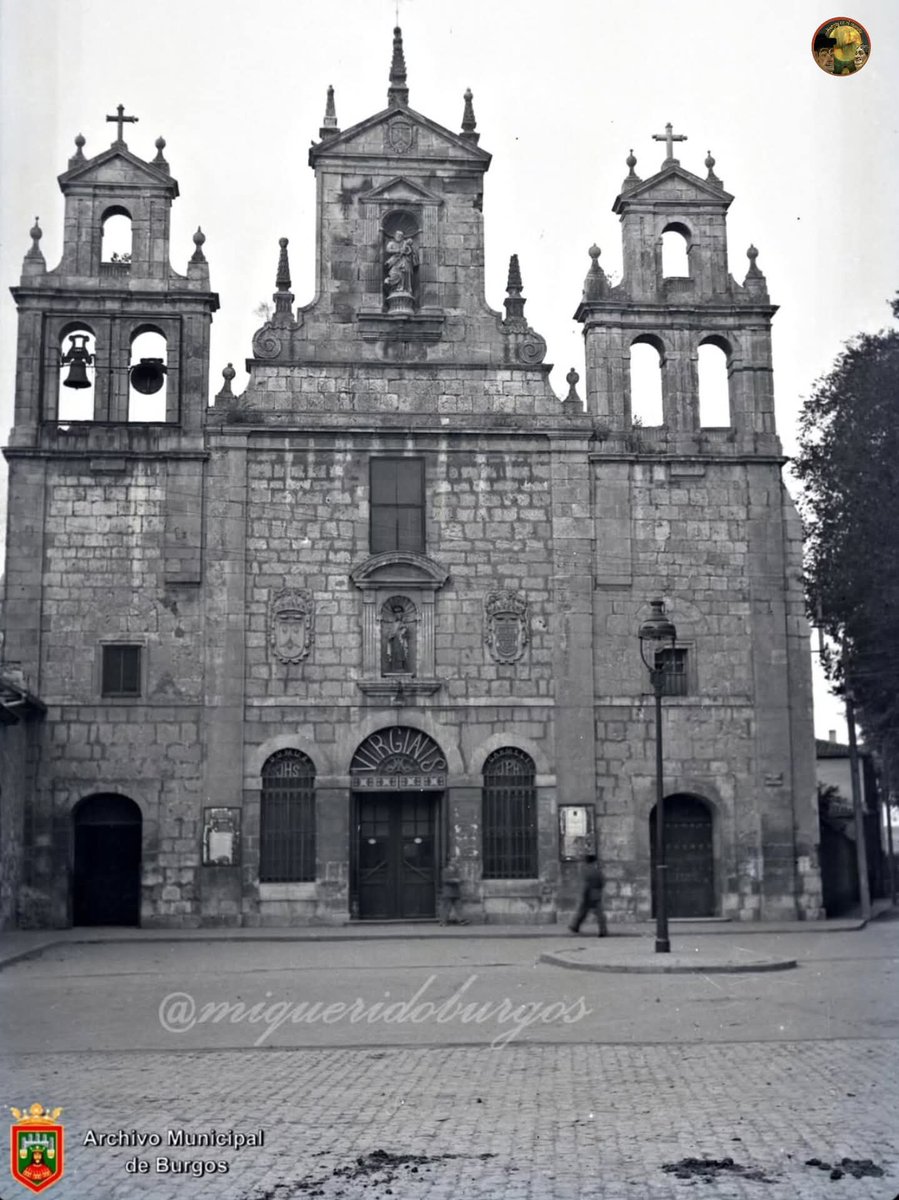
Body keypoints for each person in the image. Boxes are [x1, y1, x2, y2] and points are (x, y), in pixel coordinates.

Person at [569, 853, 608, 937]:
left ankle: (575, 926)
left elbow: (586, 884)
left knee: (582, 912)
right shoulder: (597, 871)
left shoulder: (586, 870)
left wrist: (584, 894)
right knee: (599, 914)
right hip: (596, 894)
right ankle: (603, 930)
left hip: (588, 894)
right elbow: (602, 882)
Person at [439, 860, 468, 925]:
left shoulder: (457, 871)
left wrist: (461, 880)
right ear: (449, 863)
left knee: (459, 907)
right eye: (454, 862)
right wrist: (454, 880)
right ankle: (443, 921)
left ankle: (461, 920)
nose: (455, 863)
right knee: (446, 908)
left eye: (456, 862)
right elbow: (445, 880)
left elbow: (461, 879)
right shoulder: (445, 870)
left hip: (456, 892)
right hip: (448, 892)